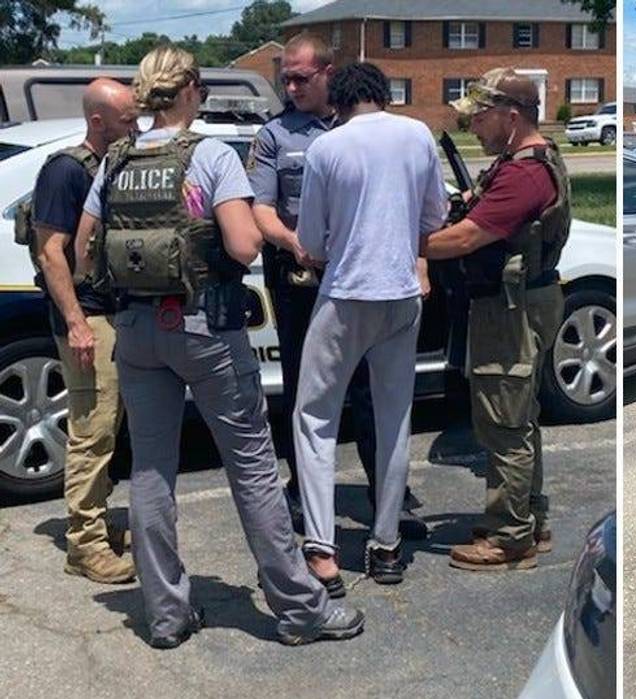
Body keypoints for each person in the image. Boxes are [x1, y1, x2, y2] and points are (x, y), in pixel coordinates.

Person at [73, 45, 364, 648]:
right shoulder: (207, 155)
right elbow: (241, 246)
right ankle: (300, 609)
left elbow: (83, 252)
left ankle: (166, 614)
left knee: (151, 471)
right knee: (253, 467)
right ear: (188, 91)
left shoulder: (117, 159)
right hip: (204, 327)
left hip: (135, 332)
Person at [246, 33, 426, 539]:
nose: (291, 86)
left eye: (302, 77)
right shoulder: (274, 136)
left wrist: (420, 263)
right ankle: (304, 495)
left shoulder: (362, 128)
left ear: (329, 74)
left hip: (364, 276)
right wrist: (293, 243)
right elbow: (261, 207)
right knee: (306, 393)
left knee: (375, 394)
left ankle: (389, 497)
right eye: (286, 77)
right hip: (301, 275)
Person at [292, 62, 445, 588]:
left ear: (337, 100)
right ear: (383, 95)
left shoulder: (326, 148)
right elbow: (434, 215)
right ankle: (385, 545)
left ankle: (321, 547)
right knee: (394, 416)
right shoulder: (417, 134)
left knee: (314, 417)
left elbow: (310, 240)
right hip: (401, 293)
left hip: (345, 292)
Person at [423, 67, 569, 571]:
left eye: (479, 119)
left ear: (510, 116)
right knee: (519, 418)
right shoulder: (522, 160)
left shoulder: (523, 173)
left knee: (504, 421)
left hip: (512, 309)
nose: (473, 129)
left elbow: (465, 238)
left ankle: (511, 538)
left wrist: (397, 243)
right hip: (520, 300)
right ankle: (528, 518)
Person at [27, 79, 137, 584]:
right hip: (86, 317)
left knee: (108, 428)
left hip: (107, 313)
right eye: (126, 119)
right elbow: (52, 252)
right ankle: (85, 545)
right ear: (98, 121)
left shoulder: (108, 168)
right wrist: (76, 323)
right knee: (91, 432)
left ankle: (98, 525)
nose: (134, 126)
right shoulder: (66, 171)